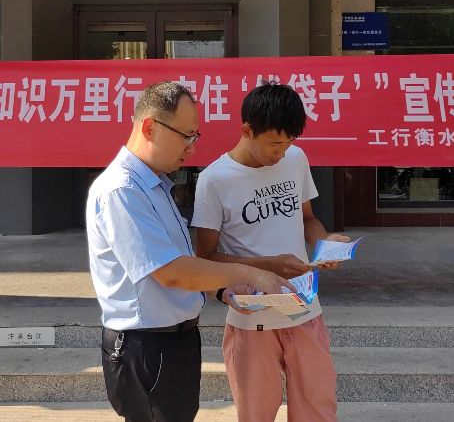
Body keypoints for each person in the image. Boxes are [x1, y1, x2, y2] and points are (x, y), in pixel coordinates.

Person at [86, 81, 291, 422]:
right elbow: (171, 272)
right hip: (146, 346)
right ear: (149, 127)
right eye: (186, 136)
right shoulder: (122, 190)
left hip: (175, 340)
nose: (191, 148)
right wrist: (251, 274)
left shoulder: (154, 185)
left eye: (195, 137)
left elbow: (182, 263)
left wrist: (221, 290)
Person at [192, 82, 347, 422]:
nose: (282, 153)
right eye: (275, 144)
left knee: (318, 410)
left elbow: (307, 219)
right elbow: (205, 258)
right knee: (256, 414)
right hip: (252, 320)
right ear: (247, 131)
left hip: (304, 309)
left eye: (289, 143)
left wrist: (325, 243)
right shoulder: (214, 180)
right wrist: (269, 265)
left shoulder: (295, 159)